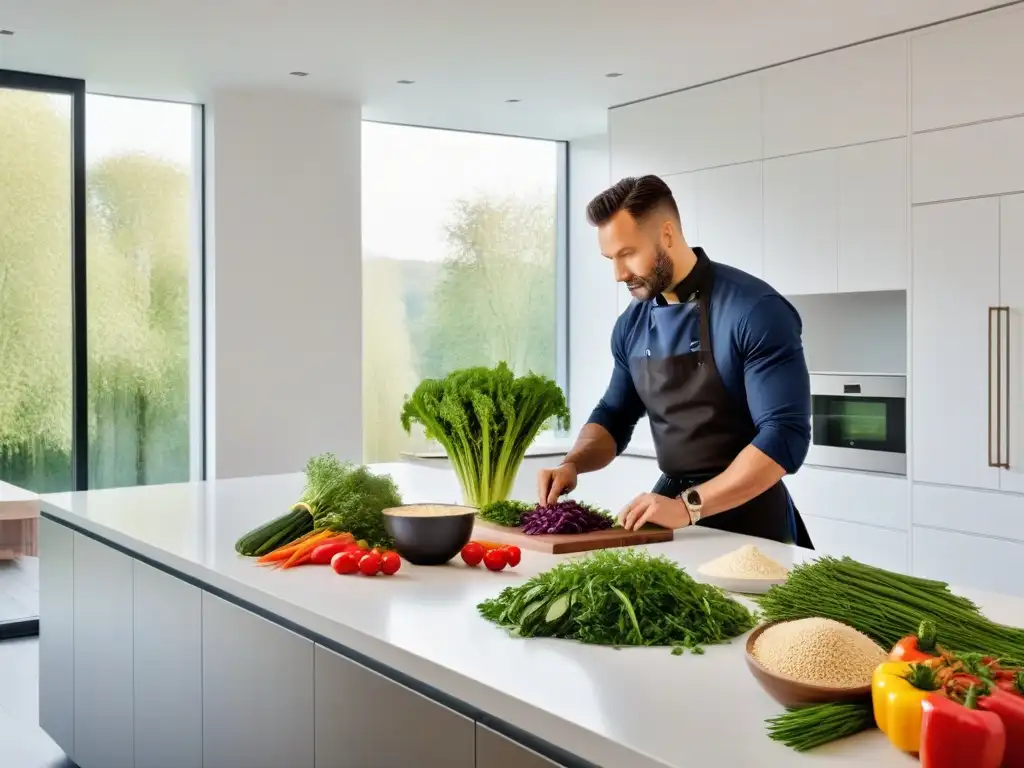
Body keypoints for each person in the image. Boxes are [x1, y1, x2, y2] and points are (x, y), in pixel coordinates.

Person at [537, 175, 813, 546]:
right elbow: (615, 414)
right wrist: (573, 463)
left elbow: (784, 435)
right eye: (611, 259)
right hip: (671, 509)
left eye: (628, 253)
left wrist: (689, 507)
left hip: (752, 517)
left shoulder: (755, 311)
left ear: (667, 234)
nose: (619, 274)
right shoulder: (631, 325)